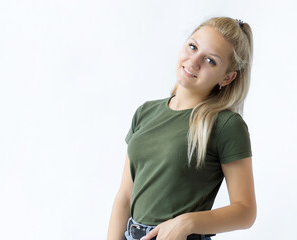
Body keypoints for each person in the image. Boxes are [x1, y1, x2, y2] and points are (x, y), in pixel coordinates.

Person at [107, 16, 256, 240]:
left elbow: (245, 211)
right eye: (193, 47)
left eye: (210, 61)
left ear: (227, 78)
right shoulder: (145, 113)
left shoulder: (226, 125)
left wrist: (187, 222)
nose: (194, 61)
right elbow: (124, 197)